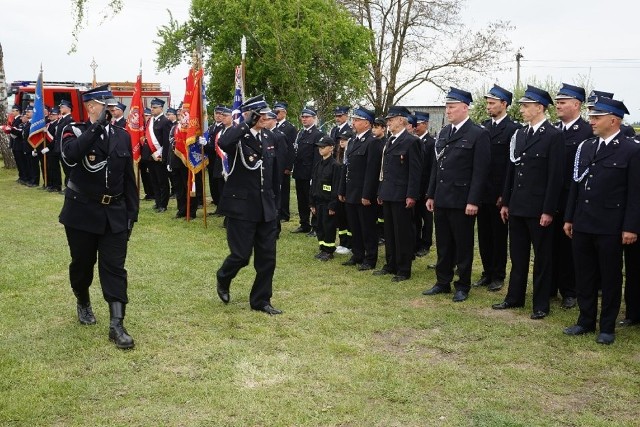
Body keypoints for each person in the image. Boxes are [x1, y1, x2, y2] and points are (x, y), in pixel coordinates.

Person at [59, 85, 138, 349]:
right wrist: (95, 127)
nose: (113, 109)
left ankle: (117, 324)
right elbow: (71, 156)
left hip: (114, 213)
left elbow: (128, 179)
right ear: (92, 106)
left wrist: (131, 214)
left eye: (113, 106)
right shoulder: (74, 130)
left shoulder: (122, 136)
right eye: (107, 105)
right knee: (82, 264)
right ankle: (82, 299)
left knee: (114, 268)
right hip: (81, 212)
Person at [562, 97, 640, 345]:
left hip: (611, 225)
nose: (591, 121)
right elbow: (576, 186)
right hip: (583, 222)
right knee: (584, 274)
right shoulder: (586, 146)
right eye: (591, 117)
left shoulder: (631, 150)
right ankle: (585, 320)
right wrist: (569, 217)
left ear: (614, 120)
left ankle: (607, 326)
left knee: (610, 277)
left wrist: (630, 226)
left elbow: (635, 193)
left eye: (597, 117)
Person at [492, 85, 564, 319]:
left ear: (540, 108)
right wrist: (506, 202)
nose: (521, 110)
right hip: (519, 206)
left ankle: (541, 304)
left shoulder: (553, 136)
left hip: (539, 208)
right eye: (521, 106)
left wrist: (548, 210)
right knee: (519, 255)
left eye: (526, 106)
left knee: (542, 257)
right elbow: (512, 171)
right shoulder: (520, 134)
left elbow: (555, 177)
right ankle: (514, 297)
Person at [215, 95, 282, 315]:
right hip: (242, 207)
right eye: (260, 114)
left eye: (265, 114)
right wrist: (245, 123)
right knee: (241, 256)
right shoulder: (237, 136)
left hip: (265, 207)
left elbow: (273, 175)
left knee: (267, 258)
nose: (265, 118)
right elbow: (223, 143)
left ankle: (261, 300)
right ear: (250, 114)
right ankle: (224, 276)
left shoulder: (270, 137)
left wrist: (275, 205)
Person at [423, 88, 490, 302]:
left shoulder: (478, 134)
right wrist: (431, 194)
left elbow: (481, 172)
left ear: (464, 107)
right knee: (443, 243)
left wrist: (473, 200)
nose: (448, 111)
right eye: (447, 107)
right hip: (442, 197)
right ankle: (442, 281)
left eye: (451, 107)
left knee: (463, 244)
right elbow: (437, 166)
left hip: (462, 200)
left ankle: (462, 285)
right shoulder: (444, 132)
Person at [474, 85, 520, 292]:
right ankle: (487, 272)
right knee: (483, 235)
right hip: (482, 191)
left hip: (499, 192)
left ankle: (498, 275)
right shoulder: (484, 127)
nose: (488, 107)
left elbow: (512, 166)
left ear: (504, 104)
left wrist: (505, 194)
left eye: (493, 103)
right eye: (487, 103)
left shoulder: (513, 130)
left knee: (498, 236)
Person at [551, 83, 593, 308]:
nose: (558, 105)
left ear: (576, 105)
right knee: (550, 244)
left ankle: (570, 290)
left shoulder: (587, 132)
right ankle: (550, 286)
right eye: (557, 102)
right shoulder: (553, 130)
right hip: (553, 197)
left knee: (570, 246)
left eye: (563, 102)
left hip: (574, 197)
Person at [374, 106, 422, 282]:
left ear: (402, 120)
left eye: (391, 119)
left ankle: (403, 268)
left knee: (402, 232)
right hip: (388, 192)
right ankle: (391, 263)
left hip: (402, 194)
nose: (388, 123)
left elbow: (415, 172)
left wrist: (411, 195)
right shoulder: (390, 141)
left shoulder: (412, 141)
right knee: (389, 231)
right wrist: (381, 190)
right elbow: (384, 169)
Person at [339, 107, 382, 271]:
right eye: (353, 120)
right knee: (354, 226)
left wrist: (367, 194)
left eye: (357, 120)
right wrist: (342, 190)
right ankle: (357, 254)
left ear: (366, 123)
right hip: (351, 191)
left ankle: (370, 258)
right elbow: (346, 167)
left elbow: (372, 171)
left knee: (367, 227)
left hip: (364, 193)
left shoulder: (373, 142)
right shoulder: (353, 141)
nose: (353, 123)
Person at [291, 106, 324, 234]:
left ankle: (315, 226)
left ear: (314, 118)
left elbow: (317, 158)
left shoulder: (318, 134)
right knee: (301, 200)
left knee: (313, 200)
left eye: (307, 117)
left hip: (310, 173)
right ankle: (304, 224)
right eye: (303, 117)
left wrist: (314, 175)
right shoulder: (301, 133)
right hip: (299, 172)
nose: (304, 119)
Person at [310, 136, 342, 261]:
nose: (320, 149)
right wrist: (311, 203)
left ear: (331, 148)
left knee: (328, 227)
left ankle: (329, 250)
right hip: (318, 201)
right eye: (319, 146)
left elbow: (336, 187)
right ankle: (322, 248)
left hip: (328, 203)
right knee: (319, 226)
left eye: (323, 147)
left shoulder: (335, 166)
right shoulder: (318, 164)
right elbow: (313, 184)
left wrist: (333, 205)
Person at [413, 112, 435, 258]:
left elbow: (433, 166)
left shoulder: (431, 142)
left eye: (419, 124)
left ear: (425, 124)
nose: (416, 127)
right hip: (415, 186)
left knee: (426, 218)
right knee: (414, 217)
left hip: (426, 186)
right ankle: (415, 242)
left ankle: (425, 244)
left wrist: (430, 190)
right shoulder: (413, 141)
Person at [144, 98, 172, 212]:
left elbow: (166, 141)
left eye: (155, 107)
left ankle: (163, 204)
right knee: (154, 181)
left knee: (162, 182)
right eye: (152, 107)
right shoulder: (150, 121)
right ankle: (157, 201)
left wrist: (162, 156)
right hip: (150, 156)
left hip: (160, 157)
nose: (152, 109)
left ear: (161, 108)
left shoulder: (165, 121)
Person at [273, 101, 297, 222]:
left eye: (278, 112)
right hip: (274, 164)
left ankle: (284, 213)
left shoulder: (290, 128)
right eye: (275, 112)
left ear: (285, 112)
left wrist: (288, 166)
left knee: (284, 190)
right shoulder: (273, 126)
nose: (276, 114)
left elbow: (291, 149)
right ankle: (276, 211)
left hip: (284, 164)